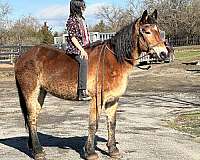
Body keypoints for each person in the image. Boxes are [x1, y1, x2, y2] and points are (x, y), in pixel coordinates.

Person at [66, 0, 91, 101]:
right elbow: (73, 38)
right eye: (82, 6)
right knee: (83, 62)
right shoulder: (71, 20)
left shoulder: (82, 19)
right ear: (77, 7)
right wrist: (81, 50)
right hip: (75, 48)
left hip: (85, 46)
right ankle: (81, 91)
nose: (83, 8)